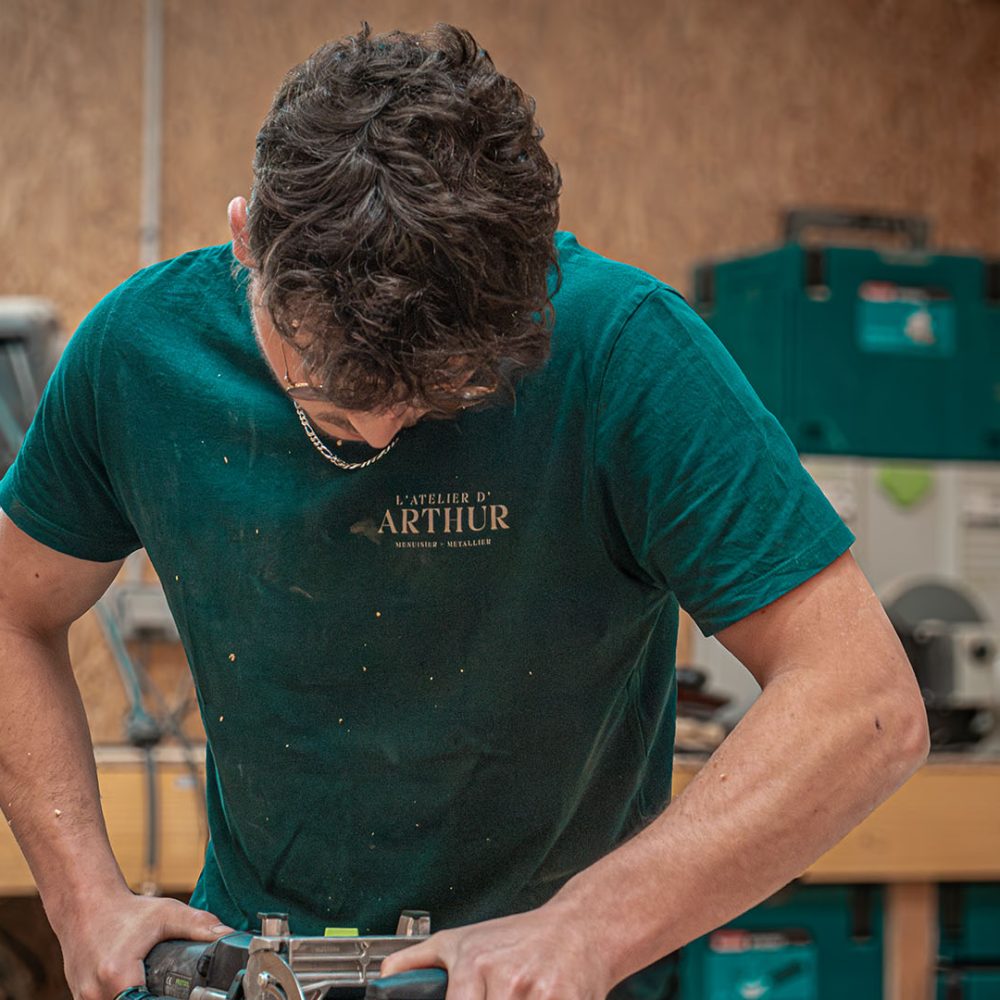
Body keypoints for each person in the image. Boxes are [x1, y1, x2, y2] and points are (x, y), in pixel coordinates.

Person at [0, 23, 928, 1000]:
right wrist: (82, 899)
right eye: (323, 392)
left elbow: (862, 703)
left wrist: (587, 927)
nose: (377, 434)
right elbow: (12, 610)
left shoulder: (624, 351)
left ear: (529, 296)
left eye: (438, 395)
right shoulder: (139, 354)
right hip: (254, 964)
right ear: (245, 241)